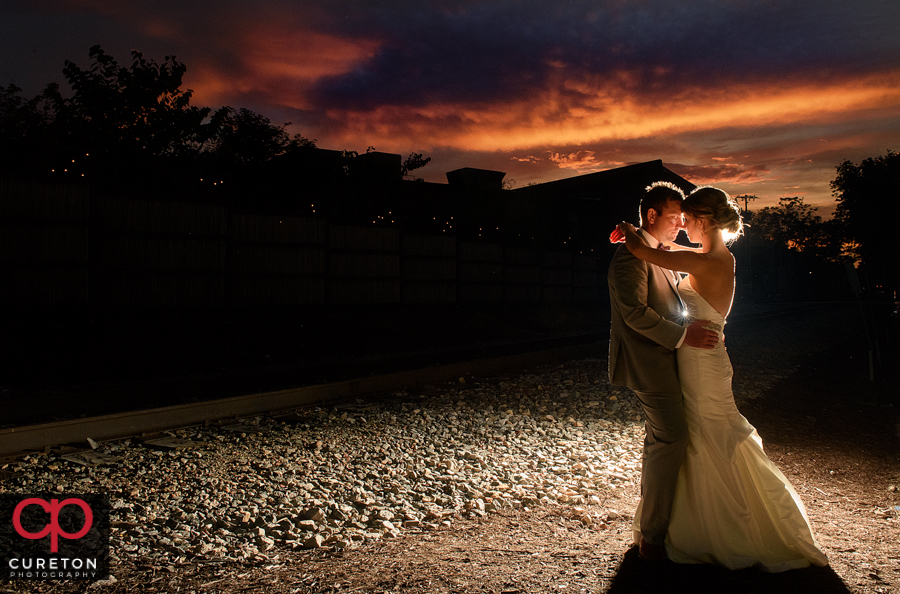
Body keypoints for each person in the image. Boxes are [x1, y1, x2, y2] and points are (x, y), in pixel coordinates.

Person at [616, 186, 829, 572]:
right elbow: (660, 256)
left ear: (704, 221)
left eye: (688, 219)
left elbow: (646, 252)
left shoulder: (708, 260)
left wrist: (628, 230)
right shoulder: (713, 257)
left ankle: (723, 526)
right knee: (703, 433)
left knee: (708, 431)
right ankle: (698, 520)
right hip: (704, 356)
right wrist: (642, 236)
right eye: (677, 218)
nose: (683, 226)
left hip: (701, 359)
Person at [607, 181, 719, 562]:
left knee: (662, 440)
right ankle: (652, 539)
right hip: (647, 362)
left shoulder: (656, 252)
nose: (679, 226)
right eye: (674, 218)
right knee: (671, 437)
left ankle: (651, 528)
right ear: (652, 215)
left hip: (668, 360)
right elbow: (634, 313)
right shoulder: (630, 259)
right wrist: (683, 337)